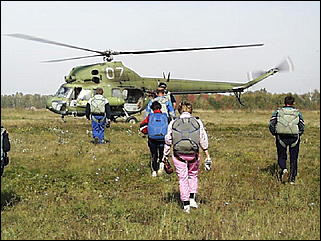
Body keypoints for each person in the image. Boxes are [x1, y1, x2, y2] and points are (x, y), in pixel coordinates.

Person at [163, 101, 212, 213]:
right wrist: (207, 154)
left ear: (179, 111)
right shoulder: (198, 122)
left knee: (182, 178)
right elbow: (202, 139)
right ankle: (192, 199)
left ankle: (185, 205)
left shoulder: (173, 122)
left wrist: (165, 155)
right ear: (191, 110)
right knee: (193, 175)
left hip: (178, 154)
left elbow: (168, 140)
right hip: (193, 154)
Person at [269, 95, 305, 184]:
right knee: (294, 158)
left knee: (281, 156)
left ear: (284, 103)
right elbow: (302, 126)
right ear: (293, 103)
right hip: (294, 138)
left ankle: (284, 170)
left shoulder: (278, 112)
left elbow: (271, 124)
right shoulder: (298, 113)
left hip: (281, 137)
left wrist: (275, 133)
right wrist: (298, 134)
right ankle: (292, 179)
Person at [140, 101, 168, 177]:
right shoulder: (165, 116)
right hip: (162, 138)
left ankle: (154, 171)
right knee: (161, 153)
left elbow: (142, 126)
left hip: (152, 139)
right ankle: (161, 166)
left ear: (152, 108)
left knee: (154, 155)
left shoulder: (150, 116)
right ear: (160, 108)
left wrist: (147, 132)